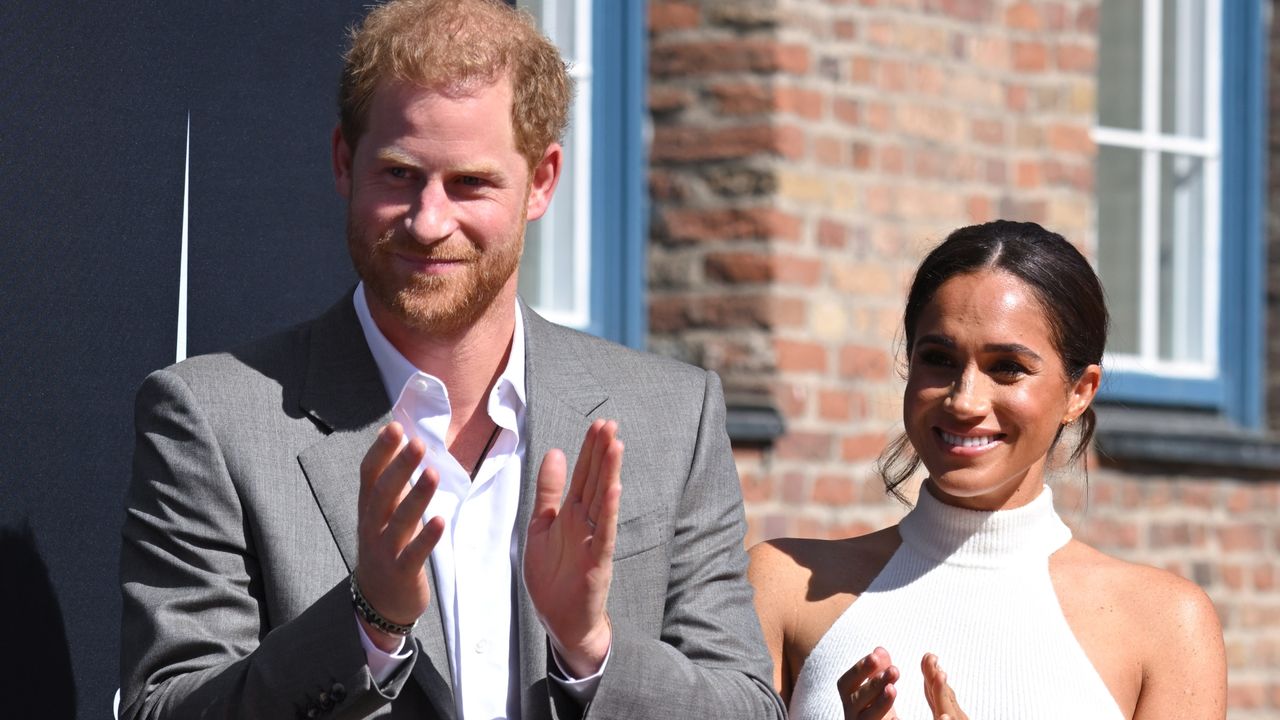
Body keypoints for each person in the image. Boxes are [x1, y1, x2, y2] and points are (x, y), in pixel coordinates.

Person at [118, 1, 783, 718]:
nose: (429, 222)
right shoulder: (214, 421)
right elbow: (165, 708)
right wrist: (366, 623)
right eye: (400, 175)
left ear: (544, 181)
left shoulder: (672, 420)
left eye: (470, 183)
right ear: (345, 161)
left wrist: (592, 647)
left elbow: (747, 706)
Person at [749, 220, 1227, 719]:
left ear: (1080, 392)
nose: (964, 400)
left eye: (1007, 367)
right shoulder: (785, 586)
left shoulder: (1166, 624)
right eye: (939, 358)